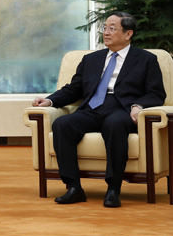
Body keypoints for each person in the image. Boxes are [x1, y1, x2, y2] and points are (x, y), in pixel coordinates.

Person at [32, 11, 166, 208]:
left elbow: (156, 93)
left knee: (114, 124)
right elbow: (74, 89)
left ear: (128, 34)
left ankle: (113, 189)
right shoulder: (91, 59)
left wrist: (139, 106)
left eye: (112, 28)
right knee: (63, 124)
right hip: (93, 108)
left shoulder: (146, 60)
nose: (106, 32)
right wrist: (50, 101)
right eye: (105, 28)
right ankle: (74, 188)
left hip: (122, 109)